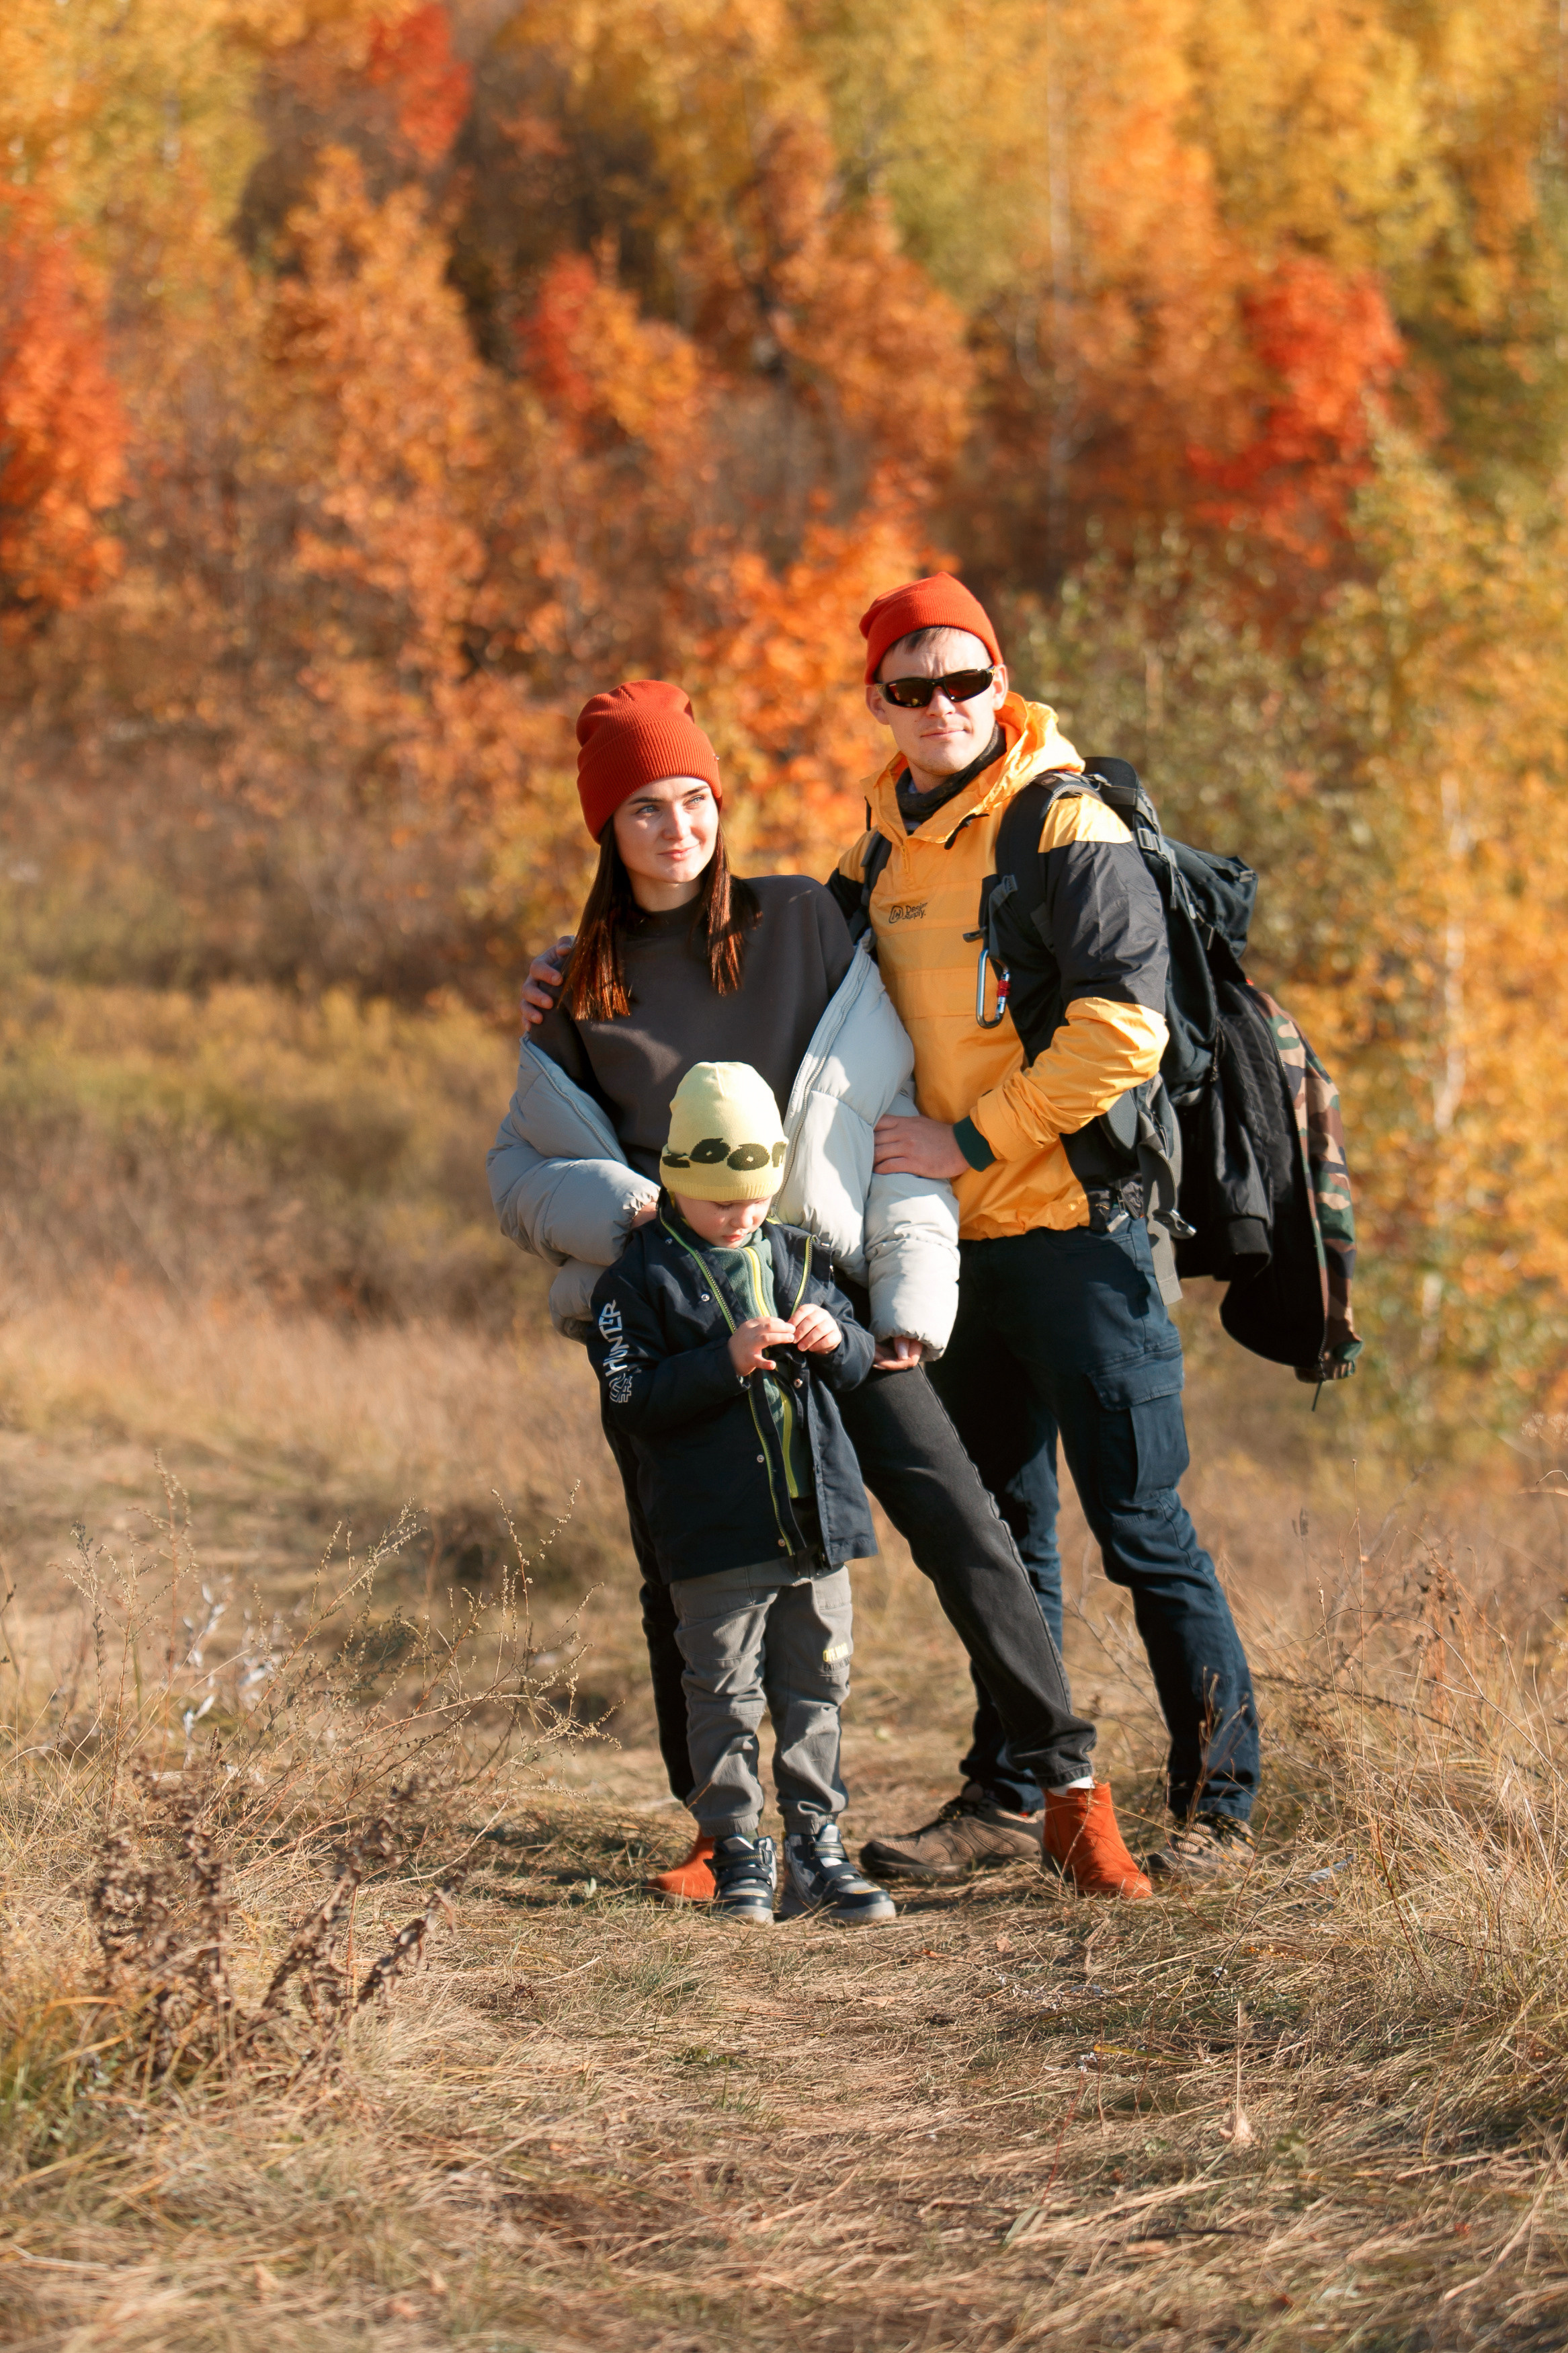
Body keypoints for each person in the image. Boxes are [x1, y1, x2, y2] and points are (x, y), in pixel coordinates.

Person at [491, 678, 1151, 1905]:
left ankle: (1066, 1793)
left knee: (965, 1529)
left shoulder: (802, 920)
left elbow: (888, 1113)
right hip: (687, 1325)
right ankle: (718, 1834)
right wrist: (632, 1216)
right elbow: (519, 1171)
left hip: (831, 1301)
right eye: (643, 808)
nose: (677, 828)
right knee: (680, 1570)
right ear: (605, 827)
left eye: (694, 798)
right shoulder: (577, 987)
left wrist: (907, 1306)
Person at [834, 573, 1260, 1886]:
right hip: (954, 1255)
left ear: (1000, 683)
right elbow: (780, 980)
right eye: (913, 687)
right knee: (1000, 1537)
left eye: (965, 680)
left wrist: (966, 1141)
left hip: (1082, 1235)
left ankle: (1219, 1813)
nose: (942, 705)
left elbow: (1123, 1032)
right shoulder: (877, 850)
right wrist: (585, 968)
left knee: (1142, 1531)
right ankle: (1010, 1795)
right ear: (878, 701)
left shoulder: (1064, 821)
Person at [587, 1059, 894, 1925]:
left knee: (818, 1688)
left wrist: (838, 1337)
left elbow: (861, 1364)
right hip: (715, 1537)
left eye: (756, 1197)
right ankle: (733, 1850)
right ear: (675, 1181)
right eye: (721, 1200)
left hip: (813, 1530)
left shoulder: (795, 1256)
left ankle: (816, 1845)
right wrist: (721, 1363)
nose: (742, 1215)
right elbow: (630, 1396)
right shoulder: (638, 1280)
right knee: (723, 1696)